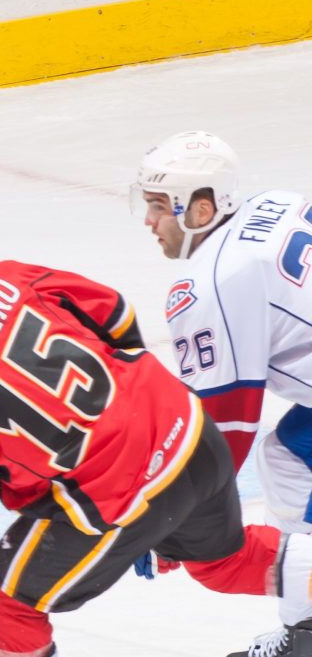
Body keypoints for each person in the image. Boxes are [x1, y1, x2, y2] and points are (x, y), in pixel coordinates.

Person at [0, 242, 312, 657]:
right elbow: (115, 312)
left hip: (122, 491)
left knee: (2, 601)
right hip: (186, 426)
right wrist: (127, 400)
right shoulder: (2, 278)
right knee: (226, 563)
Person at [133, 131, 312, 653]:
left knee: (222, 541)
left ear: (202, 209)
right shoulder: (275, 204)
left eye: (158, 206)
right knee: (286, 457)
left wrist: (170, 518)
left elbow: (224, 429)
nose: (149, 222)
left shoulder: (212, 283)